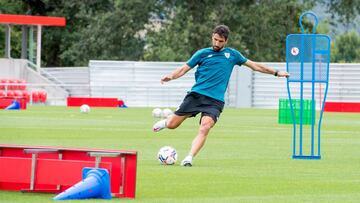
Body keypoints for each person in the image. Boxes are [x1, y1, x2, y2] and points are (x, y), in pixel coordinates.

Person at [152, 25, 289, 167]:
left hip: (215, 101)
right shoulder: (202, 53)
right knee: (173, 125)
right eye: (215, 40)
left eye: (220, 41)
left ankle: (189, 158)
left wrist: (276, 72)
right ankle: (165, 122)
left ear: (226, 41)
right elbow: (184, 69)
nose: (217, 43)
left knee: (205, 127)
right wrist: (171, 76)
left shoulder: (233, 55)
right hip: (197, 95)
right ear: (212, 37)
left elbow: (255, 66)